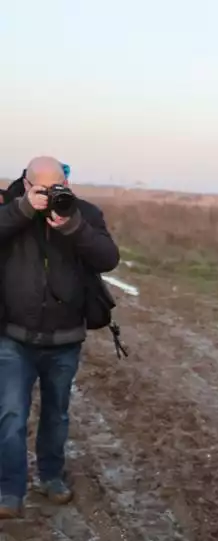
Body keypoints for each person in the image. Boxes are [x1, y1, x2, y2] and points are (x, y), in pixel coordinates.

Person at [0, 157, 120, 519]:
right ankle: (9, 490)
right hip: (13, 337)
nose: (52, 195)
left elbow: (108, 258)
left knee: (57, 415)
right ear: (26, 183)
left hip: (65, 338)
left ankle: (51, 477)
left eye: (59, 188)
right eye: (43, 189)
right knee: (10, 415)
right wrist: (23, 210)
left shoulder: (84, 213)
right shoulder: (10, 210)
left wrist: (73, 227)